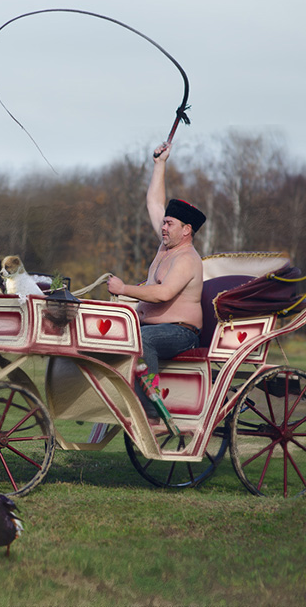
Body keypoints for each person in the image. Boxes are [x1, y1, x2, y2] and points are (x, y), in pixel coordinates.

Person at [106, 142, 206, 419]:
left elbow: (163, 294)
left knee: (141, 339)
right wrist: (159, 164)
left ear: (186, 230)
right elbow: (153, 203)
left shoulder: (187, 259)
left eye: (169, 223)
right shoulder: (165, 246)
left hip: (181, 333)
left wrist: (123, 289)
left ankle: (150, 410)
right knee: (109, 333)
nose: (162, 227)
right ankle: (106, 399)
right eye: (163, 222)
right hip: (152, 327)